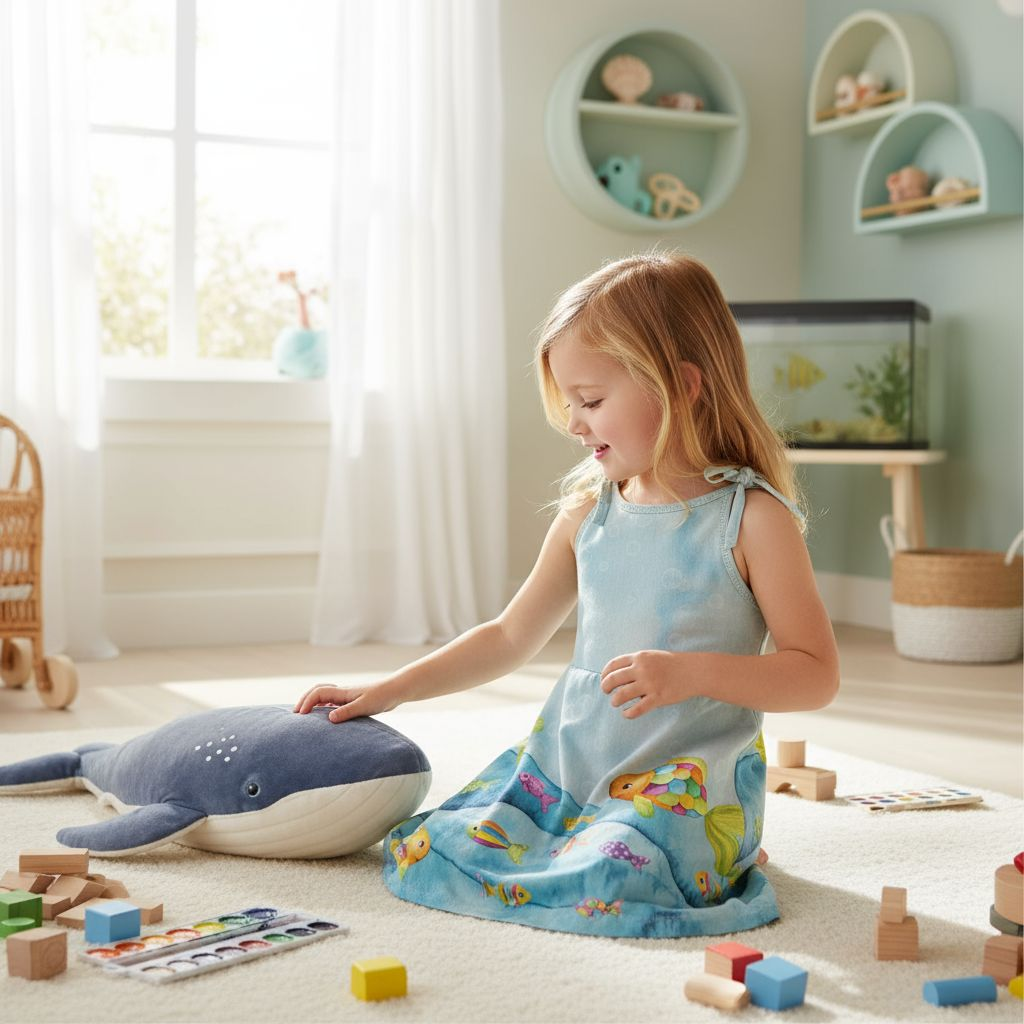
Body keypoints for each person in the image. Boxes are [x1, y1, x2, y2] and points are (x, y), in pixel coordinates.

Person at [294, 252, 839, 937]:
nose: (576, 426)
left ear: (683, 385)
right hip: (568, 767)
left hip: (683, 783)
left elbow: (814, 673)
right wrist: (389, 690)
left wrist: (691, 673)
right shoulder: (589, 512)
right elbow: (508, 635)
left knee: (616, 877)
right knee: (434, 844)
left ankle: (695, 850)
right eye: (569, 404)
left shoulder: (752, 519)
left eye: (592, 401)